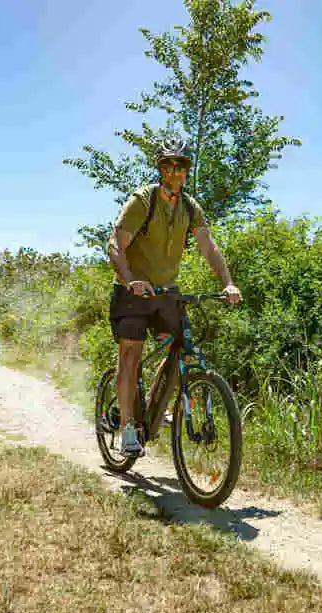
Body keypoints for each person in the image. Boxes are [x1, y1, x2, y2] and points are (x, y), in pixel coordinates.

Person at [106, 137, 242, 457]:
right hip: (132, 292)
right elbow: (115, 244)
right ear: (160, 168)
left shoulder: (190, 207)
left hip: (166, 292)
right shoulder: (143, 200)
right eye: (168, 164)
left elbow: (209, 247)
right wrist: (129, 280)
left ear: (186, 169)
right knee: (131, 354)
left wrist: (228, 283)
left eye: (180, 165)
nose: (174, 171)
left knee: (178, 346)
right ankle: (127, 427)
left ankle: (154, 403)